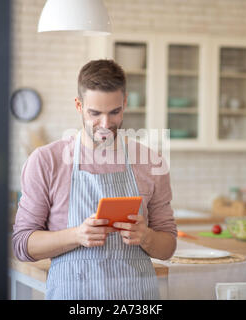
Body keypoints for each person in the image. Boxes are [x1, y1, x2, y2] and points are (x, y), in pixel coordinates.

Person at [12, 59, 177, 300]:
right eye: (95, 113)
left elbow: (168, 245)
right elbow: (22, 245)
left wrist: (148, 237)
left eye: (115, 112)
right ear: (78, 105)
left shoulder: (151, 162)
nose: (106, 124)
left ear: (125, 103)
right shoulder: (46, 161)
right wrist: (76, 235)